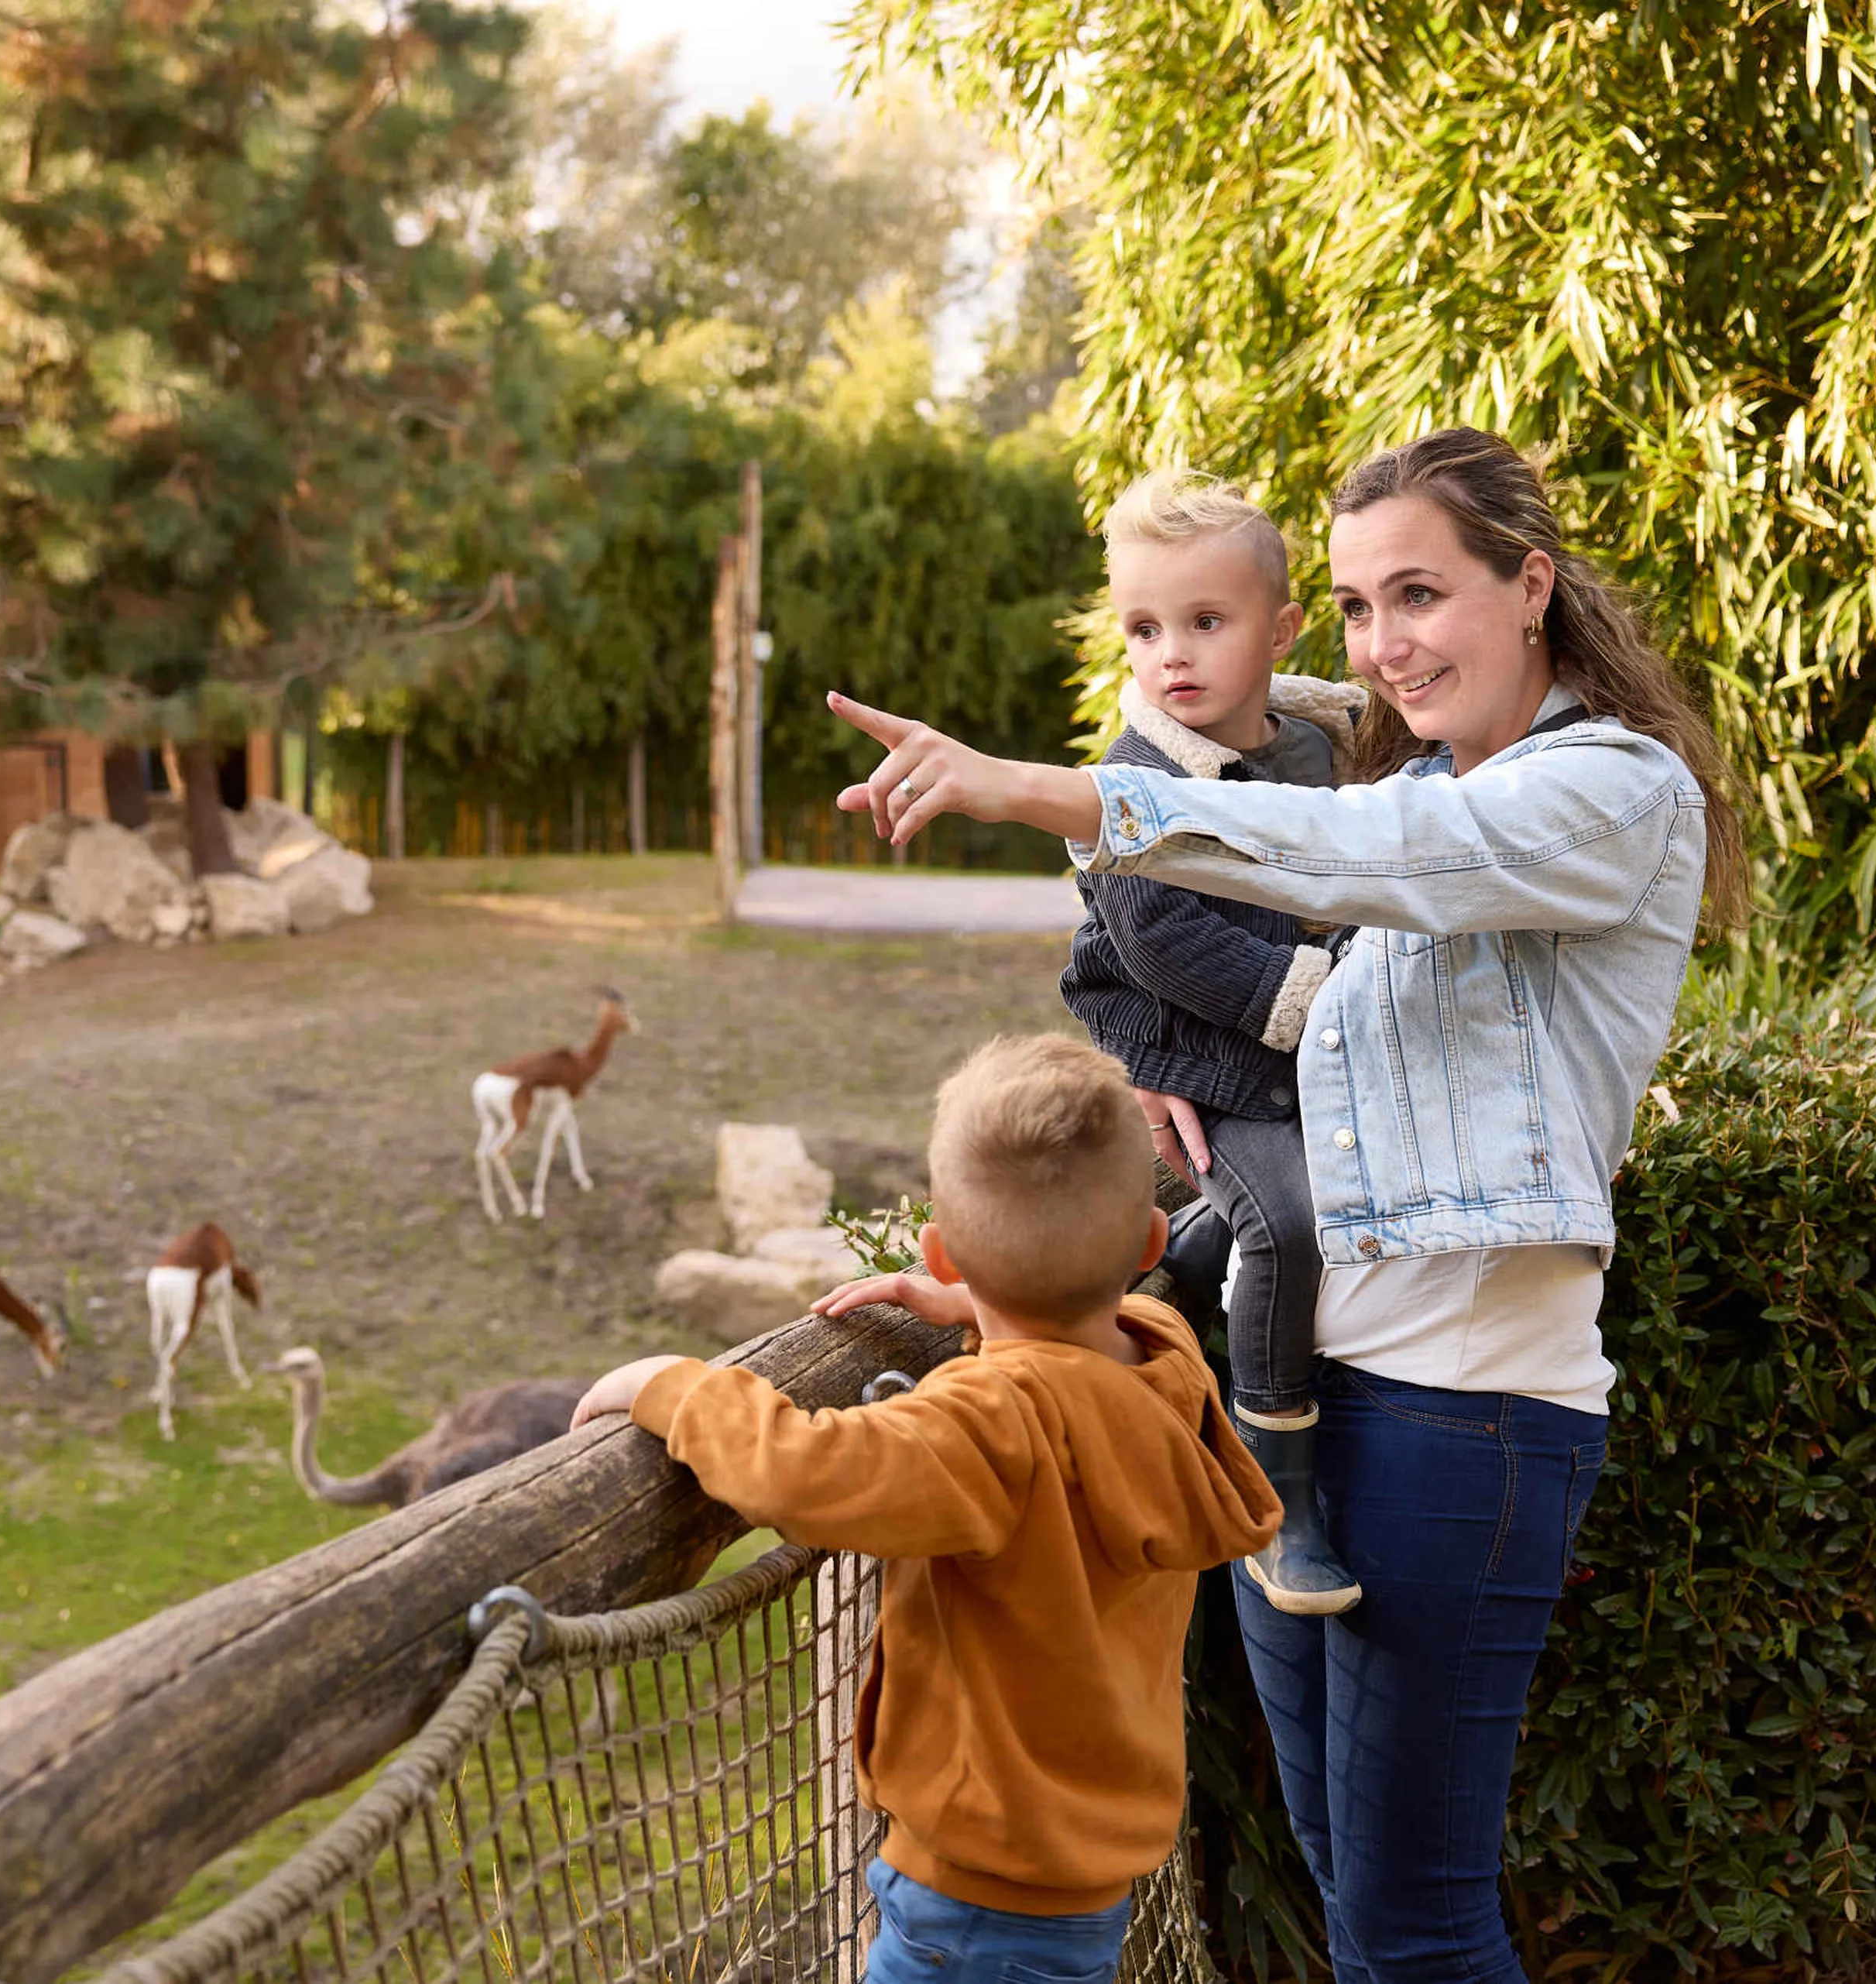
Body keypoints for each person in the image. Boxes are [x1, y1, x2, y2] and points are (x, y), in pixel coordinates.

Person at [819, 428, 1748, 1980]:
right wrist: (1033, 1275)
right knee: (1346, 1896)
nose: (1388, 644)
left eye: (1421, 595)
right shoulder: (1424, 772)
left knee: (1416, 1927)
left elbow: (1355, 851)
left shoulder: (1603, 792)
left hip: (1464, 1413)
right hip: (1299, 1406)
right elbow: (1304, 1065)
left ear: (1532, 585)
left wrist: (1053, 790)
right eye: (1361, 606)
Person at [571, 1034, 1281, 1984]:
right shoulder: (1164, 1368)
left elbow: (803, 1474)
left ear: (940, 1253)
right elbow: (1106, 1332)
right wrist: (994, 1307)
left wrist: (674, 1384)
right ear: (1152, 1244)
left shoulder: (994, 1422)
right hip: (1082, 1884)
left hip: (974, 1906)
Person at [1059, 465, 1367, 1615]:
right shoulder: (1131, 783)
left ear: (1281, 631)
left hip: (1314, 1034)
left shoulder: (1327, 748)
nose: (1171, 655)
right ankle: (1279, 1493)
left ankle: (1194, 1252)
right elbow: (1163, 938)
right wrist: (1320, 997)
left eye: (1205, 622)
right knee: (1289, 1218)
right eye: (1145, 629)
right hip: (1211, 1051)